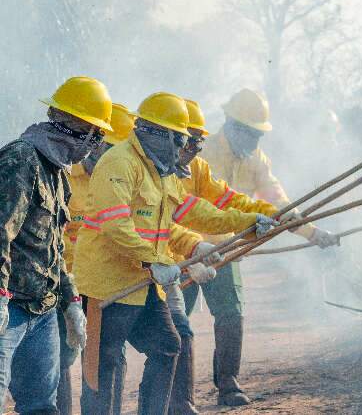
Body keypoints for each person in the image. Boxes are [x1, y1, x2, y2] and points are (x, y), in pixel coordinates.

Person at [73, 92, 278, 415]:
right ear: (157, 133)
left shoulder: (159, 171)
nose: (184, 149)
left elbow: (194, 213)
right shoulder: (119, 163)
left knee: (168, 345)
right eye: (180, 139)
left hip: (143, 285)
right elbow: (115, 228)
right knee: (105, 365)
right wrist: (155, 260)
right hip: (106, 288)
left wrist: (248, 222)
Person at [186, 89, 340, 406]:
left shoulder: (257, 161)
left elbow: (278, 202)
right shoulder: (202, 153)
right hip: (184, 249)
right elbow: (192, 205)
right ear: (230, 124)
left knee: (231, 315)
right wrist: (194, 248)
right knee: (177, 323)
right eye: (248, 132)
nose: (253, 140)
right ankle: (178, 394)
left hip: (226, 250)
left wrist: (312, 233)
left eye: (258, 134)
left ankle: (228, 382)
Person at [0, 76, 111, 414]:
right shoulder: (22, 160)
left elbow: (52, 249)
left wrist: (70, 301)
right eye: (98, 134)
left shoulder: (58, 171)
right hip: (10, 311)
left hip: (42, 311)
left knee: (40, 407)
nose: (96, 143)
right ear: (78, 127)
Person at [58, 103, 135, 415]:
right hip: (64, 281)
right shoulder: (62, 172)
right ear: (94, 142)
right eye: (109, 150)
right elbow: (52, 234)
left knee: (107, 356)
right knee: (60, 357)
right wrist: (67, 280)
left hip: (106, 281)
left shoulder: (127, 179)